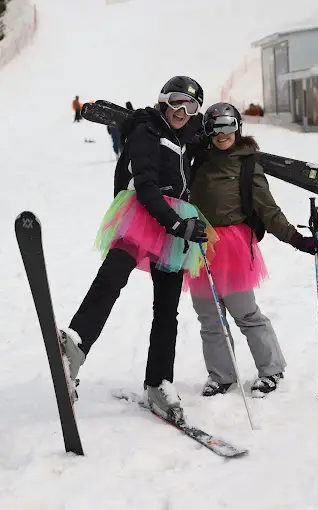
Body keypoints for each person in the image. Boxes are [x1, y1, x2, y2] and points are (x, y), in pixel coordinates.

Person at [60, 76, 216, 423]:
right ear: (163, 101)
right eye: (176, 102)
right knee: (112, 276)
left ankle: (158, 381)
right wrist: (177, 224)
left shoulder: (187, 139)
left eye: (190, 106)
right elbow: (144, 185)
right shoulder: (147, 130)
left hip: (177, 223)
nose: (181, 110)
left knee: (167, 310)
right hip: (146, 215)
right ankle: (75, 345)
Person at [188, 102, 318, 397]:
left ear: (238, 127)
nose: (222, 133)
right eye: (215, 127)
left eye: (228, 125)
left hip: (231, 246)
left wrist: (297, 239)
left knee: (245, 312)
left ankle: (271, 369)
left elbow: (268, 210)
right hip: (198, 242)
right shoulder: (198, 157)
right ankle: (221, 374)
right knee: (209, 316)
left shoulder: (248, 163)